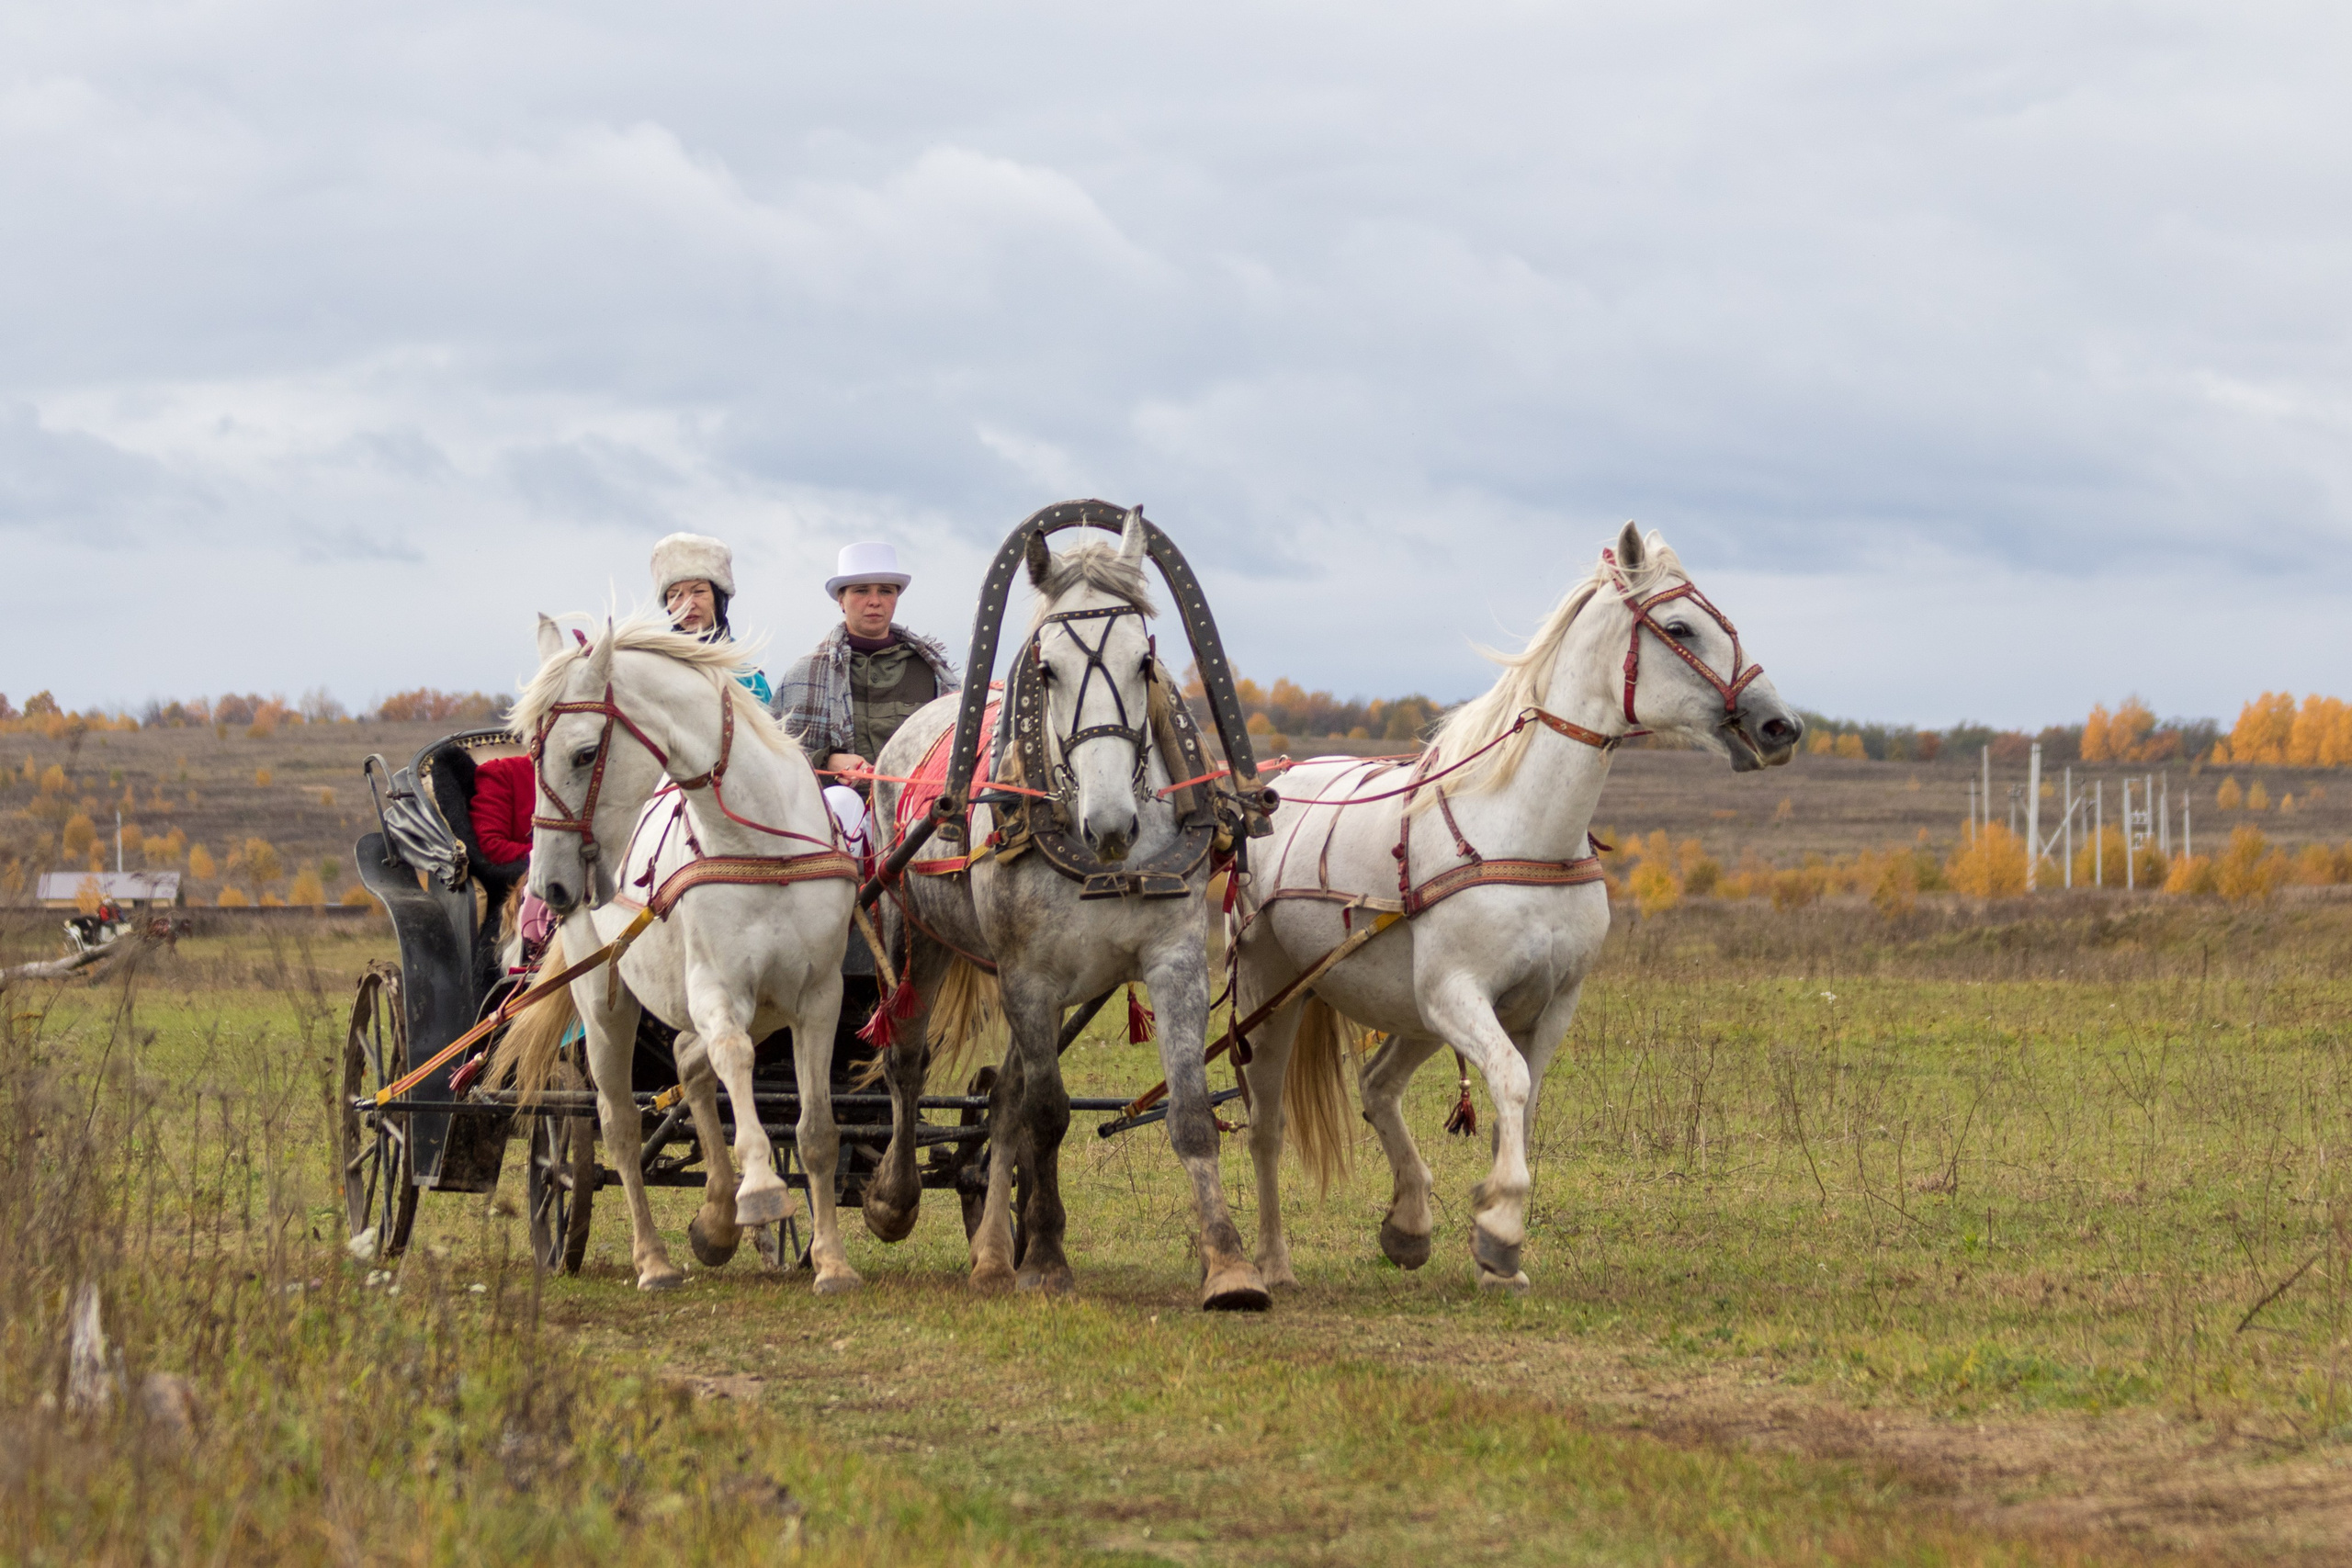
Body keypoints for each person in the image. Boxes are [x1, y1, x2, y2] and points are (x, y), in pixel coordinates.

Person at [773, 541, 959, 863]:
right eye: (861, 590)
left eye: (885, 591)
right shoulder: (802, 675)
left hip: (917, 816)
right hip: (831, 824)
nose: (875, 601)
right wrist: (827, 762)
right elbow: (773, 757)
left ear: (896, 598)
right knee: (841, 802)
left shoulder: (933, 675)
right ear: (841, 600)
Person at [651, 533, 774, 705]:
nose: (687, 605)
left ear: (719, 597)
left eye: (698, 591)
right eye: (675, 595)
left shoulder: (751, 681)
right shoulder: (653, 670)